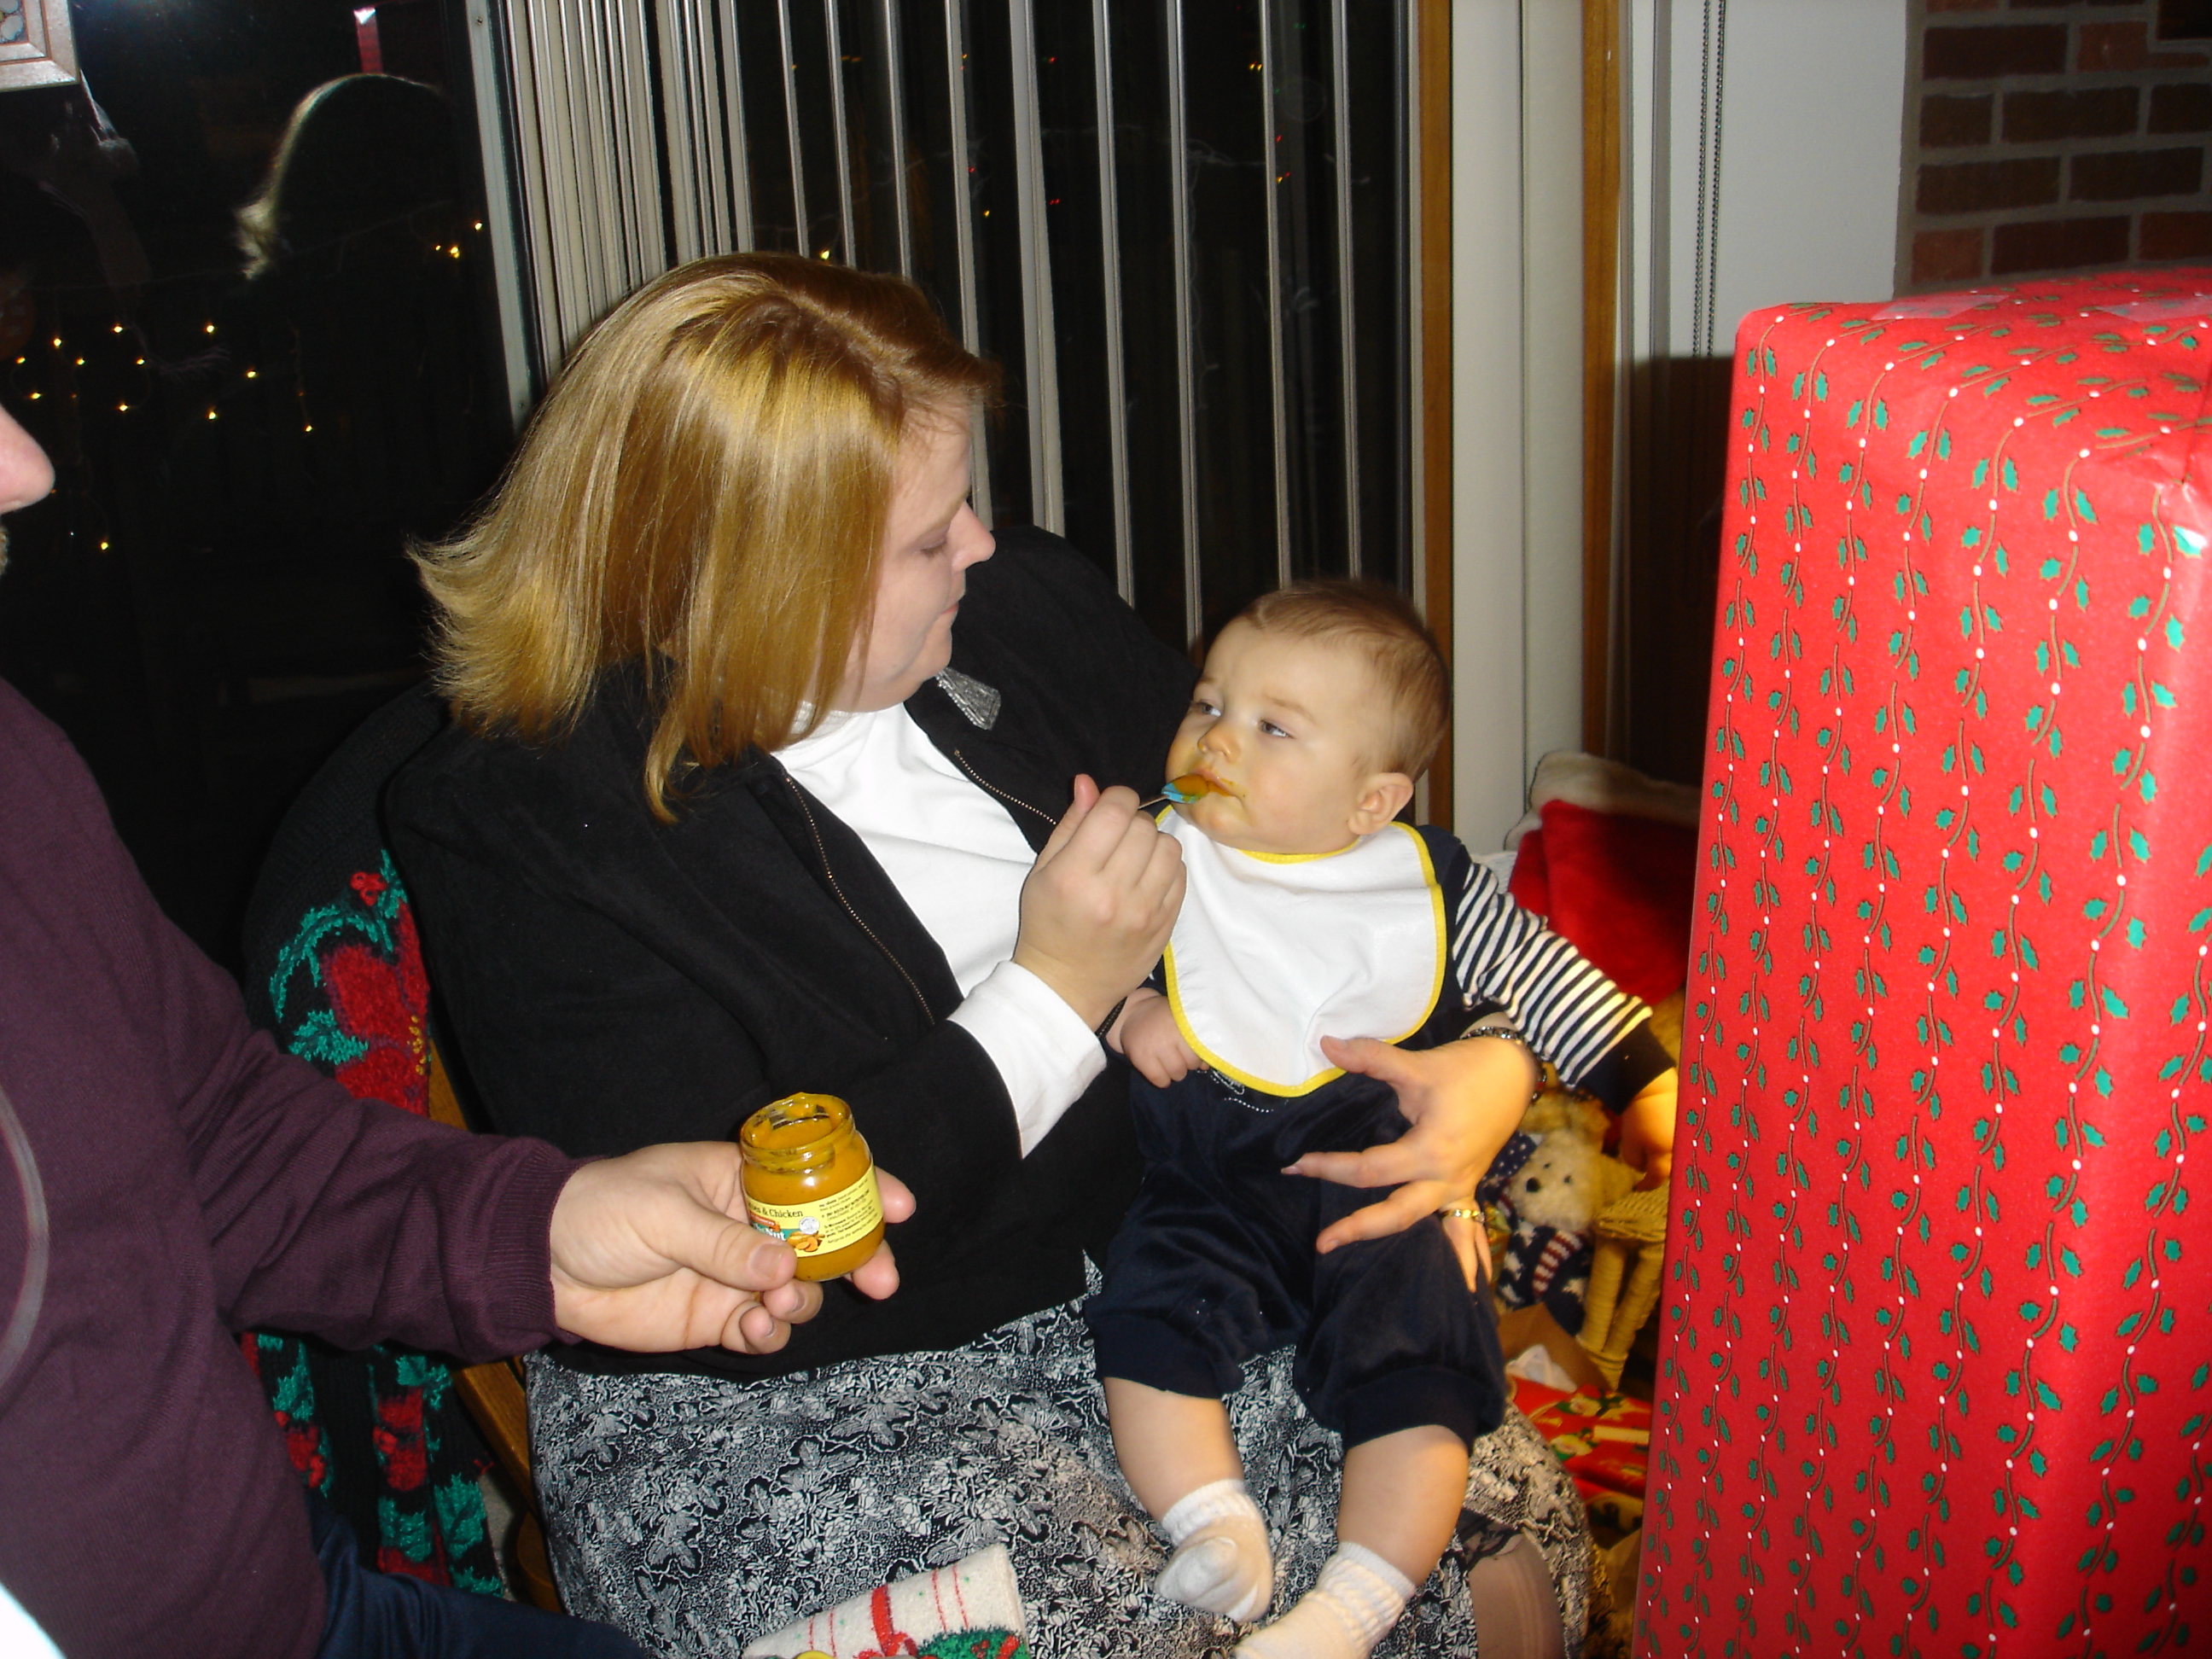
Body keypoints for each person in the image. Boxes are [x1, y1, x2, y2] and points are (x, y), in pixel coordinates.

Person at [386, 253, 1602, 1657]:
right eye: (928, 536)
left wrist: (1490, 1062)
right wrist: (1058, 994)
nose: (980, 543)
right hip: (809, 1394)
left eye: (966, 497)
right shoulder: (526, 825)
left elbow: (1323, 851)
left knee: (1502, 1569)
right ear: (763, 575)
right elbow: (756, 1258)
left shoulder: (1027, 613)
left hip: (1175, 1245)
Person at [0, 399, 914, 1657]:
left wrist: (537, 1237)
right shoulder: (520, 818)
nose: (25, 466)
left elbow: (215, 1135)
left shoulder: (15, 771)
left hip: (303, 1604)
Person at [1088, 584, 1676, 1659]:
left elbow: (1543, 978)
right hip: (1206, 1197)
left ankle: (1355, 1600)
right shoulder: (1159, 852)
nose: (1218, 737)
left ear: (1373, 801)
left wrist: (1646, 1080)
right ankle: (1214, 1525)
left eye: (1274, 727)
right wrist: (1127, 1009)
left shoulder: (1426, 884)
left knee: (1424, 1371)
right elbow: (1070, 963)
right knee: (1142, 1323)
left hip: (1386, 1194)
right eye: (1209, 702)